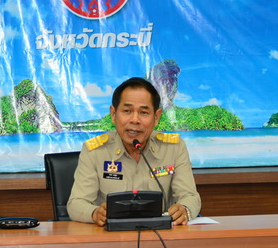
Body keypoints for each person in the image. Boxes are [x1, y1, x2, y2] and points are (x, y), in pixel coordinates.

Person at [67, 77, 201, 226]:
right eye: (127, 111)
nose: (135, 120)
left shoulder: (173, 148)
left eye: (143, 112)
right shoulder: (95, 151)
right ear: (113, 114)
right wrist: (94, 213)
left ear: (156, 117)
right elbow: (76, 203)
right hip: (110, 234)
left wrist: (184, 210)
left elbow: (190, 196)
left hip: (159, 233)